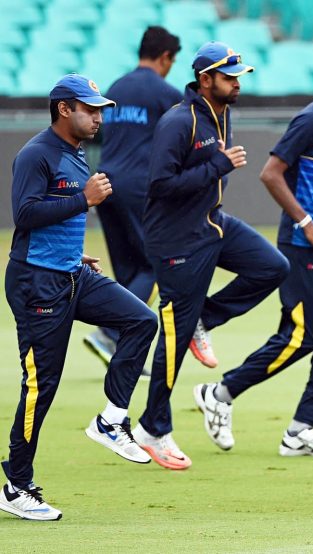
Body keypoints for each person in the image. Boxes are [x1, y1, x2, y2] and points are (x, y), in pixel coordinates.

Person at [193, 50, 313, 457]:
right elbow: (270, 174)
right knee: (303, 336)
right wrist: (306, 223)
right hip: (301, 244)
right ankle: (220, 393)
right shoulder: (311, 119)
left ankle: (301, 431)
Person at [0, 74, 159, 521]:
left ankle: (111, 420)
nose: (99, 116)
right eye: (90, 109)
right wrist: (85, 200)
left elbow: (53, 218)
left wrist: (75, 251)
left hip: (71, 272)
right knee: (40, 387)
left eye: (100, 109)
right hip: (38, 284)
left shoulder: (75, 152)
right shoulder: (36, 153)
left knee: (141, 321)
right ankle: (16, 485)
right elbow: (25, 214)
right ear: (64, 109)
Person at [133, 42, 289, 470]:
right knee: (173, 338)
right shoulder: (178, 121)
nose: (237, 83)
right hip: (177, 240)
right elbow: (160, 185)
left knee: (272, 266)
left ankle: (206, 316)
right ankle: (152, 428)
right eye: (229, 76)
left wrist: (215, 170)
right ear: (205, 79)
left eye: (238, 75)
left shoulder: (221, 111)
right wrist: (218, 166)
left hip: (212, 223)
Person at [83, 26, 183, 374]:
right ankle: (109, 333)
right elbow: (179, 139)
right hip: (141, 188)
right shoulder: (166, 93)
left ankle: (123, 350)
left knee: (129, 270)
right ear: (166, 57)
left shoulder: (116, 88)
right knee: (156, 265)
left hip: (105, 184)